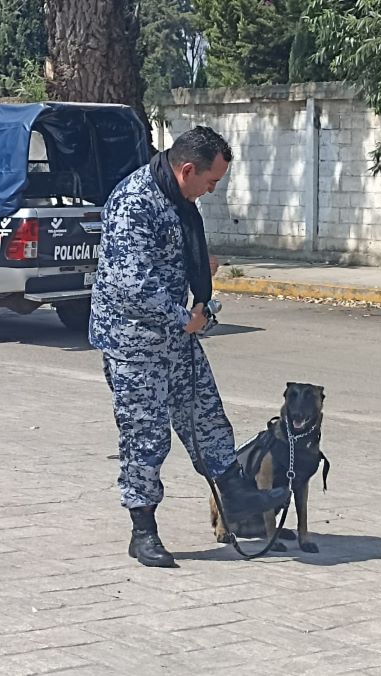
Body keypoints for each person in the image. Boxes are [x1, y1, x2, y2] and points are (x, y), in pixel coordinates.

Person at [89, 126, 287, 568]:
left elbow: (167, 258)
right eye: (210, 181)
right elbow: (131, 284)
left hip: (175, 339)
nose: (211, 191)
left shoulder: (178, 199)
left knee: (208, 418)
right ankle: (143, 531)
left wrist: (198, 268)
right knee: (146, 438)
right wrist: (186, 317)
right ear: (187, 170)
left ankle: (240, 504)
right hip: (134, 343)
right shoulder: (134, 202)